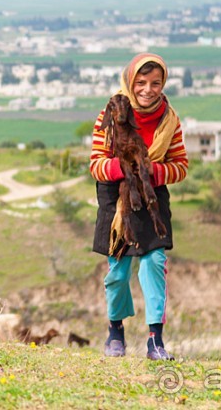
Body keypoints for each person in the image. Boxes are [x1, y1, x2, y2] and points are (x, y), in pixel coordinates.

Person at [89, 53, 188, 360]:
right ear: (130, 81)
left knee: (154, 264)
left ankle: (155, 340)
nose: (148, 89)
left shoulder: (170, 120)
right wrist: (127, 169)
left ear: (164, 84)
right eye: (141, 82)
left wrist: (154, 172)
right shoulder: (111, 113)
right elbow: (96, 164)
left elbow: (180, 166)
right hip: (116, 198)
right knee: (118, 271)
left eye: (156, 83)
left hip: (151, 195)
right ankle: (115, 330)